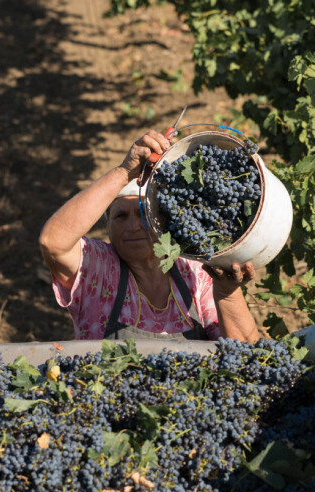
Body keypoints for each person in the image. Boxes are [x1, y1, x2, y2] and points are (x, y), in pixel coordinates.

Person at [39, 130, 260, 342]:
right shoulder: (97, 269)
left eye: (142, 214)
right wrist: (124, 172)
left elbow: (245, 355)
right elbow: (53, 243)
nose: (133, 226)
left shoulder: (194, 273)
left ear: (161, 220)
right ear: (108, 225)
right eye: (120, 216)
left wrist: (227, 293)